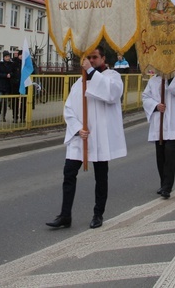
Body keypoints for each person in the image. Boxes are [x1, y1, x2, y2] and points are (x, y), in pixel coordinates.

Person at [46, 46, 126, 230]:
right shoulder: (78, 83)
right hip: (80, 138)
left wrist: (90, 70)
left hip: (99, 137)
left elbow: (111, 94)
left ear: (103, 58)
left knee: (101, 177)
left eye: (95, 57)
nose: (91, 60)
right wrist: (76, 129)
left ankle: (98, 214)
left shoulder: (112, 77)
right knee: (68, 173)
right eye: (88, 58)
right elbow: (68, 108)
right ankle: (65, 215)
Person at [142, 68, 175, 199]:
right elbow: (145, 97)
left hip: (174, 124)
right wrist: (156, 105)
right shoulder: (153, 80)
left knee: (170, 153)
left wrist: (170, 78)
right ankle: (163, 183)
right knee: (160, 155)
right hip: (159, 124)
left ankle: (167, 187)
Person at [0, 51, 14, 121]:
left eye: (8, 56)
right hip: (0, 85)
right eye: (6, 56)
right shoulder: (0, 64)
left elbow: (13, 72)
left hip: (7, 85)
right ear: (4, 57)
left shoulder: (11, 64)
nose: (7, 58)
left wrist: (10, 74)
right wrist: (5, 75)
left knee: (5, 101)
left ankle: (3, 116)